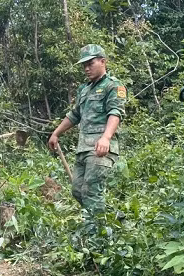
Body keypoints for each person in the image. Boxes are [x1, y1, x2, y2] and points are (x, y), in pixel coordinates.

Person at [48, 44, 126, 225]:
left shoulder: (113, 86)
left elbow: (115, 113)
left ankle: (96, 234)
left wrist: (106, 138)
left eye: (90, 63)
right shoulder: (84, 89)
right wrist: (56, 133)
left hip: (100, 148)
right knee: (77, 191)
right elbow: (75, 115)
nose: (86, 68)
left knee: (91, 191)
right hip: (83, 148)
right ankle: (115, 219)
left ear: (103, 61)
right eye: (84, 65)